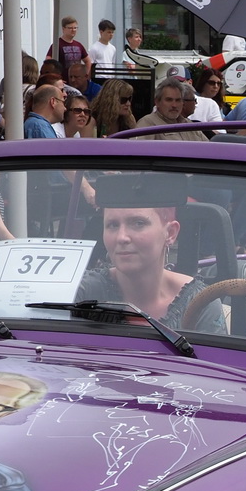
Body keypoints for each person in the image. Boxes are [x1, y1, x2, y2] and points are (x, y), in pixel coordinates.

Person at [76, 176, 208, 327]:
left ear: (170, 233)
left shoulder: (199, 304)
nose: (122, 237)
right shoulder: (80, 293)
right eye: (112, 225)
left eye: (138, 223)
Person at [135, 78, 208, 141]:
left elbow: (209, 149)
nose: (174, 105)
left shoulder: (189, 125)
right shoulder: (148, 124)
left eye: (178, 100)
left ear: (183, 102)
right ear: (157, 102)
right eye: (169, 100)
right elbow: (136, 152)